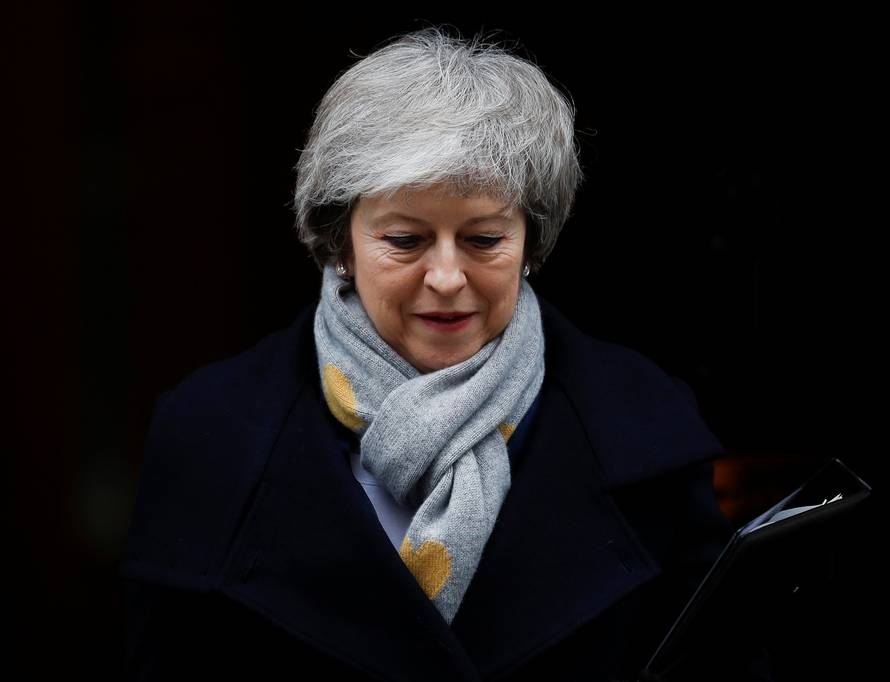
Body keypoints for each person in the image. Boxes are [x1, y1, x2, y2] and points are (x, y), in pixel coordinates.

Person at [122, 28, 766, 681]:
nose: (448, 276)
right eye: (406, 240)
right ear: (339, 242)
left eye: (484, 239)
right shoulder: (208, 436)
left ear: (530, 240)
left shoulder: (648, 430)